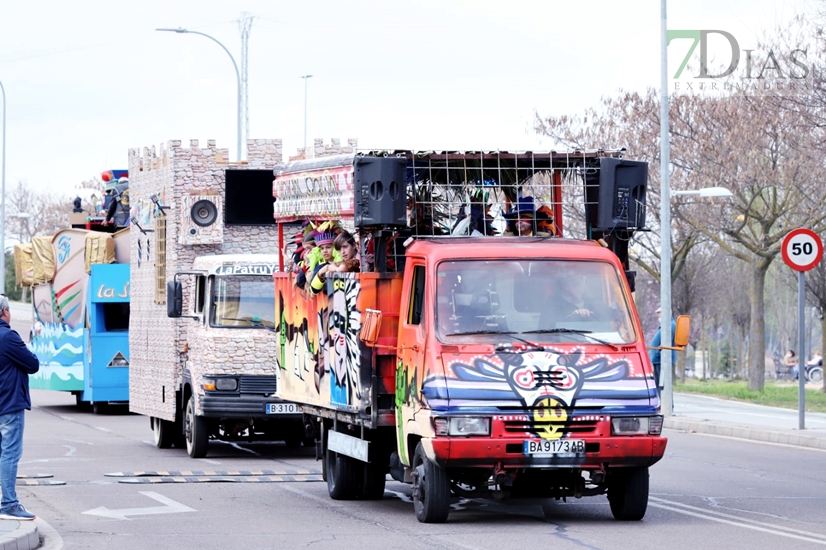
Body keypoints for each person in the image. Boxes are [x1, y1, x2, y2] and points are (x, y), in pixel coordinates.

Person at [0, 294, 40, 520]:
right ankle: (9, 504)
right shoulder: (8, 337)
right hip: (8, 404)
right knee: (10, 454)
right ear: (5, 312)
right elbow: (32, 364)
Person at [649, 308, 676, 393]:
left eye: (659, 313)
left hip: (662, 361)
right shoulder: (665, 326)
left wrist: (657, 353)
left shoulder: (670, 326)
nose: (658, 315)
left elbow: (667, 343)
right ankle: (662, 403)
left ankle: (666, 404)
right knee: (658, 385)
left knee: (662, 386)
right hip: (658, 360)